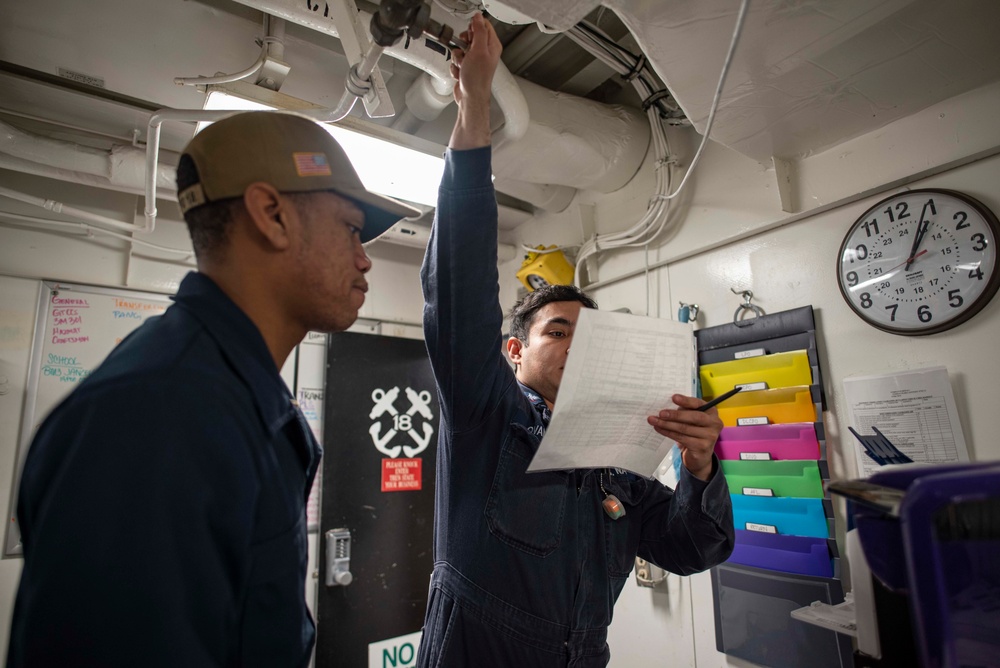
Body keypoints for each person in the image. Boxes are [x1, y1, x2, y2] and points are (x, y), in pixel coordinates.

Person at [7, 111, 418, 666]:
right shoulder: (158, 419)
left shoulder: (223, 396)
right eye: (350, 227)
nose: (365, 258)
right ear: (272, 216)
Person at [416, 14, 735, 667]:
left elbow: (691, 548)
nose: (576, 344)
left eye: (589, 333)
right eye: (558, 330)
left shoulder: (615, 458)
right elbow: (459, 291)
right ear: (514, 352)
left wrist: (702, 469)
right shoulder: (487, 420)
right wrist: (476, 109)